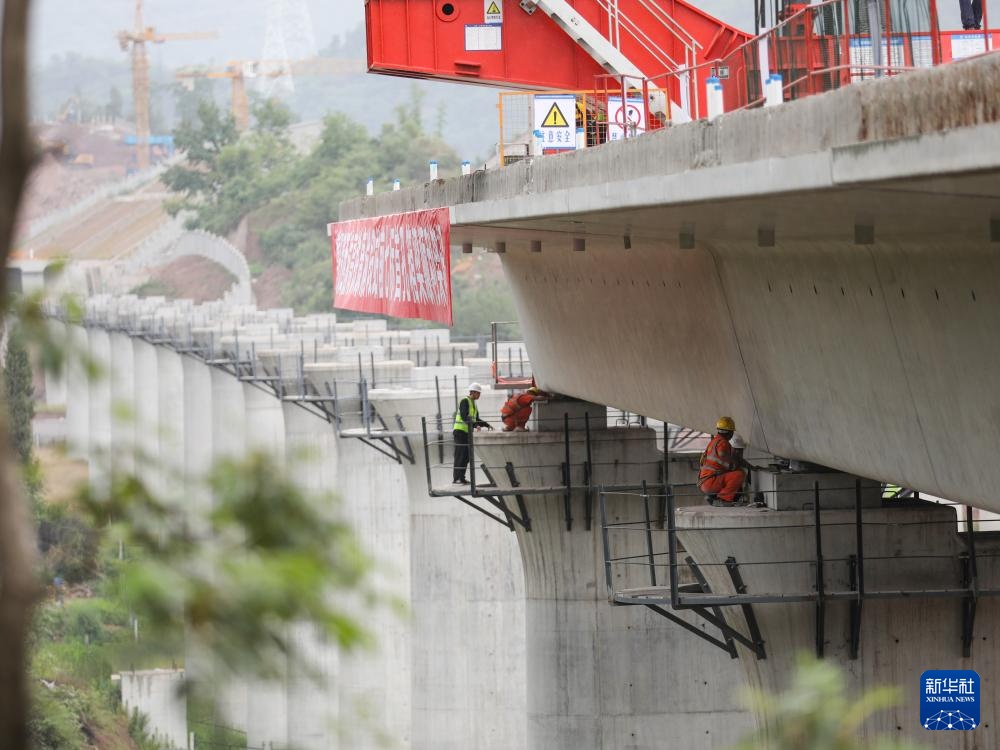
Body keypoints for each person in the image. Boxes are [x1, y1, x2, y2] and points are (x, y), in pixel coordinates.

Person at [699, 416, 747, 505]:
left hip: (705, 482)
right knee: (739, 474)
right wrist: (734, 465)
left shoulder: (714, 441)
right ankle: (724, 499)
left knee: (733, 473)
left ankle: (714, 497)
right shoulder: (723, 442)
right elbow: (722, 455)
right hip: (711, 481)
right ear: (729, 432)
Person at [453, 382, 492, 484]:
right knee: (460, 455)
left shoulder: (473, 404)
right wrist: (475, 425)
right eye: (478, 393)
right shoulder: (464, 401)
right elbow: (464, 416)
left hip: (467, 433)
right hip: (460, 431)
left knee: (466, 456)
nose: (479, 395)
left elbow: (476, 419)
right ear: (473, 392)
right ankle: (456, 478)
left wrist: (487, 425)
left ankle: (461, 478)